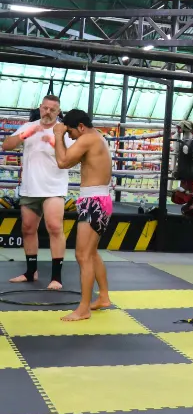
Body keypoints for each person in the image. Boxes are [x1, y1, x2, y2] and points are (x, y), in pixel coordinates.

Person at [2, 96, 70, 290]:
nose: (48, 112)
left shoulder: (63, 131)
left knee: (55, 227)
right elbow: (6, 145)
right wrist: (26, 134)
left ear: (58, 112)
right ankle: (31, 272)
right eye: (45, 108)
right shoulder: (28, 127)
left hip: (54, 187)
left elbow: (71, 158)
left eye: (52, 109)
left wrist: (53, 142)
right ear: (40, 108)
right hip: (31, 187)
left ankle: (56, 277)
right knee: (28, 229)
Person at [53, 110, 113, 321]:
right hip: (98, 200)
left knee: (83, 255)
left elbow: (63, 162)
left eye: (70, 132)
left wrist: (58, 135)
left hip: (94, 203)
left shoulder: (87, 138)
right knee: (92, 253)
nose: (70, 136)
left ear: (80, 126)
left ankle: (84, 308)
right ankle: (103, 297)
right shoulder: (97, 138)